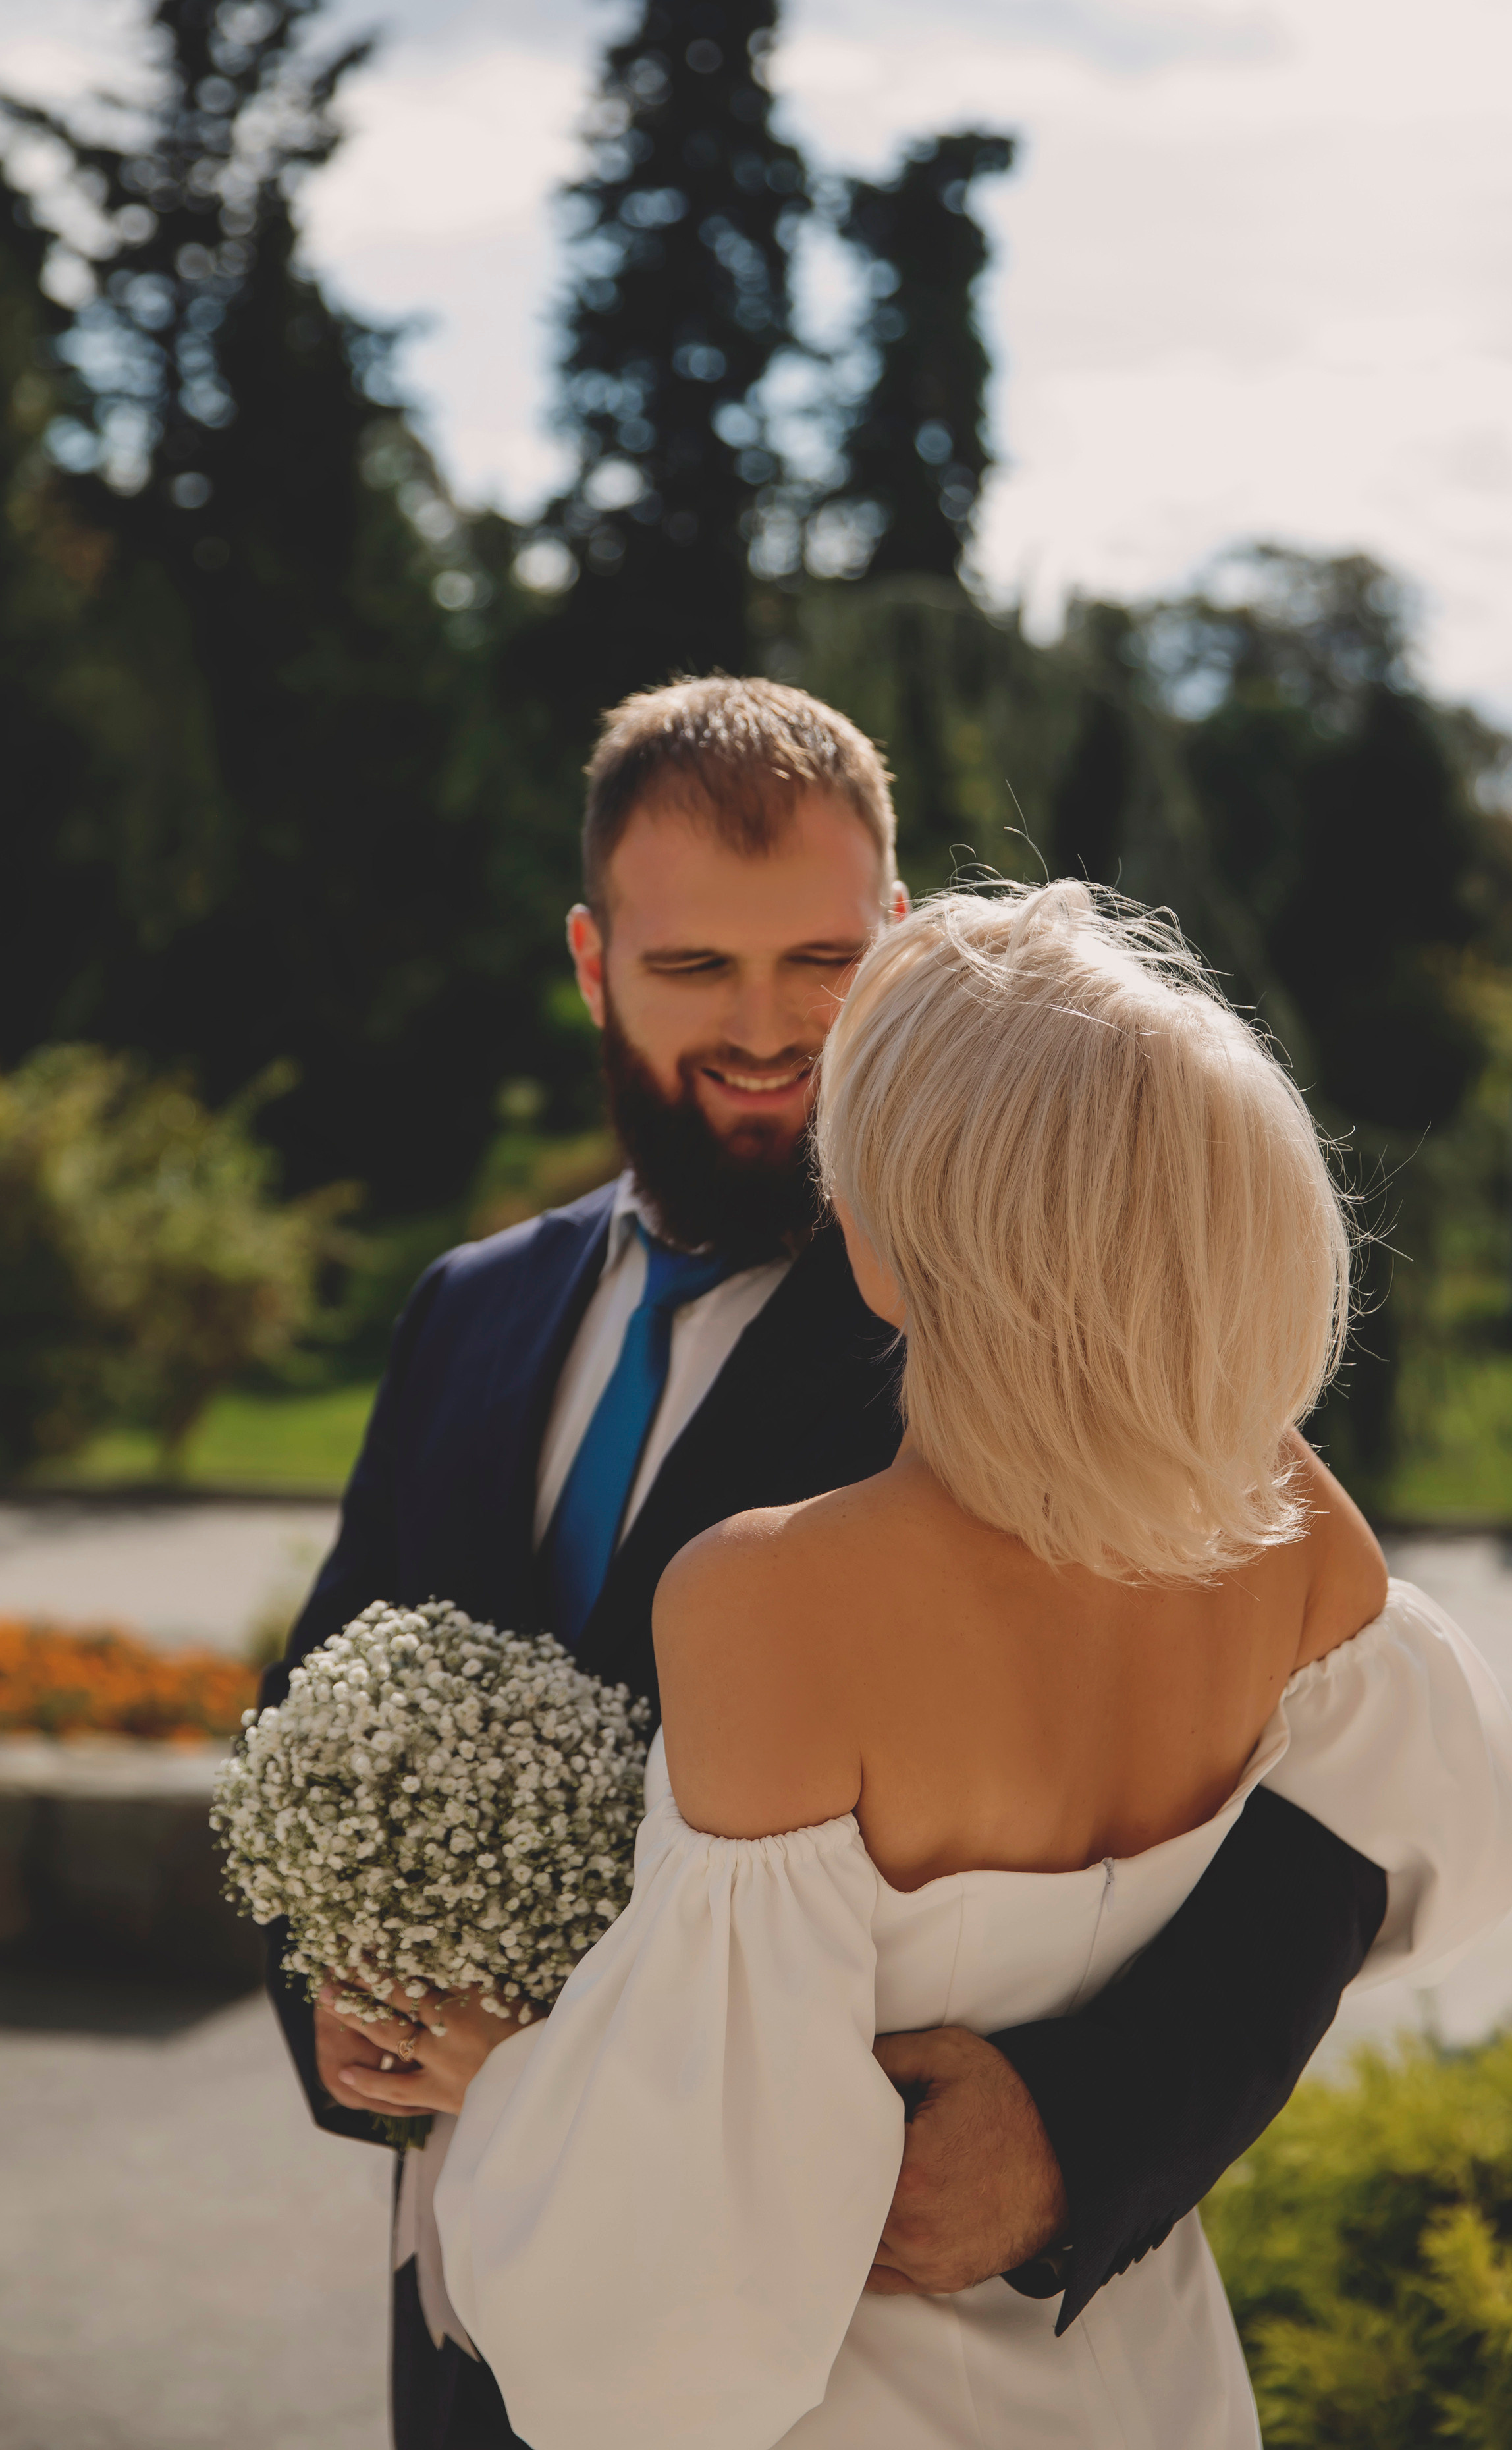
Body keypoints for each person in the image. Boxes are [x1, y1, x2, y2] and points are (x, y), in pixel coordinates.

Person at [259, 680, 1478, 2448]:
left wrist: (1078, 2136)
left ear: (899, 947)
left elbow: (1330, 1852)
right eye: (696, 973)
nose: (769, 1035)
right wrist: (335, 2004)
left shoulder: (1085, 1386)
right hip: (477, 2330)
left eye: (821, 967)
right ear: (597, 966)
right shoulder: (469, 1310)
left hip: (769, 2342)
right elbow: (319, 1696)